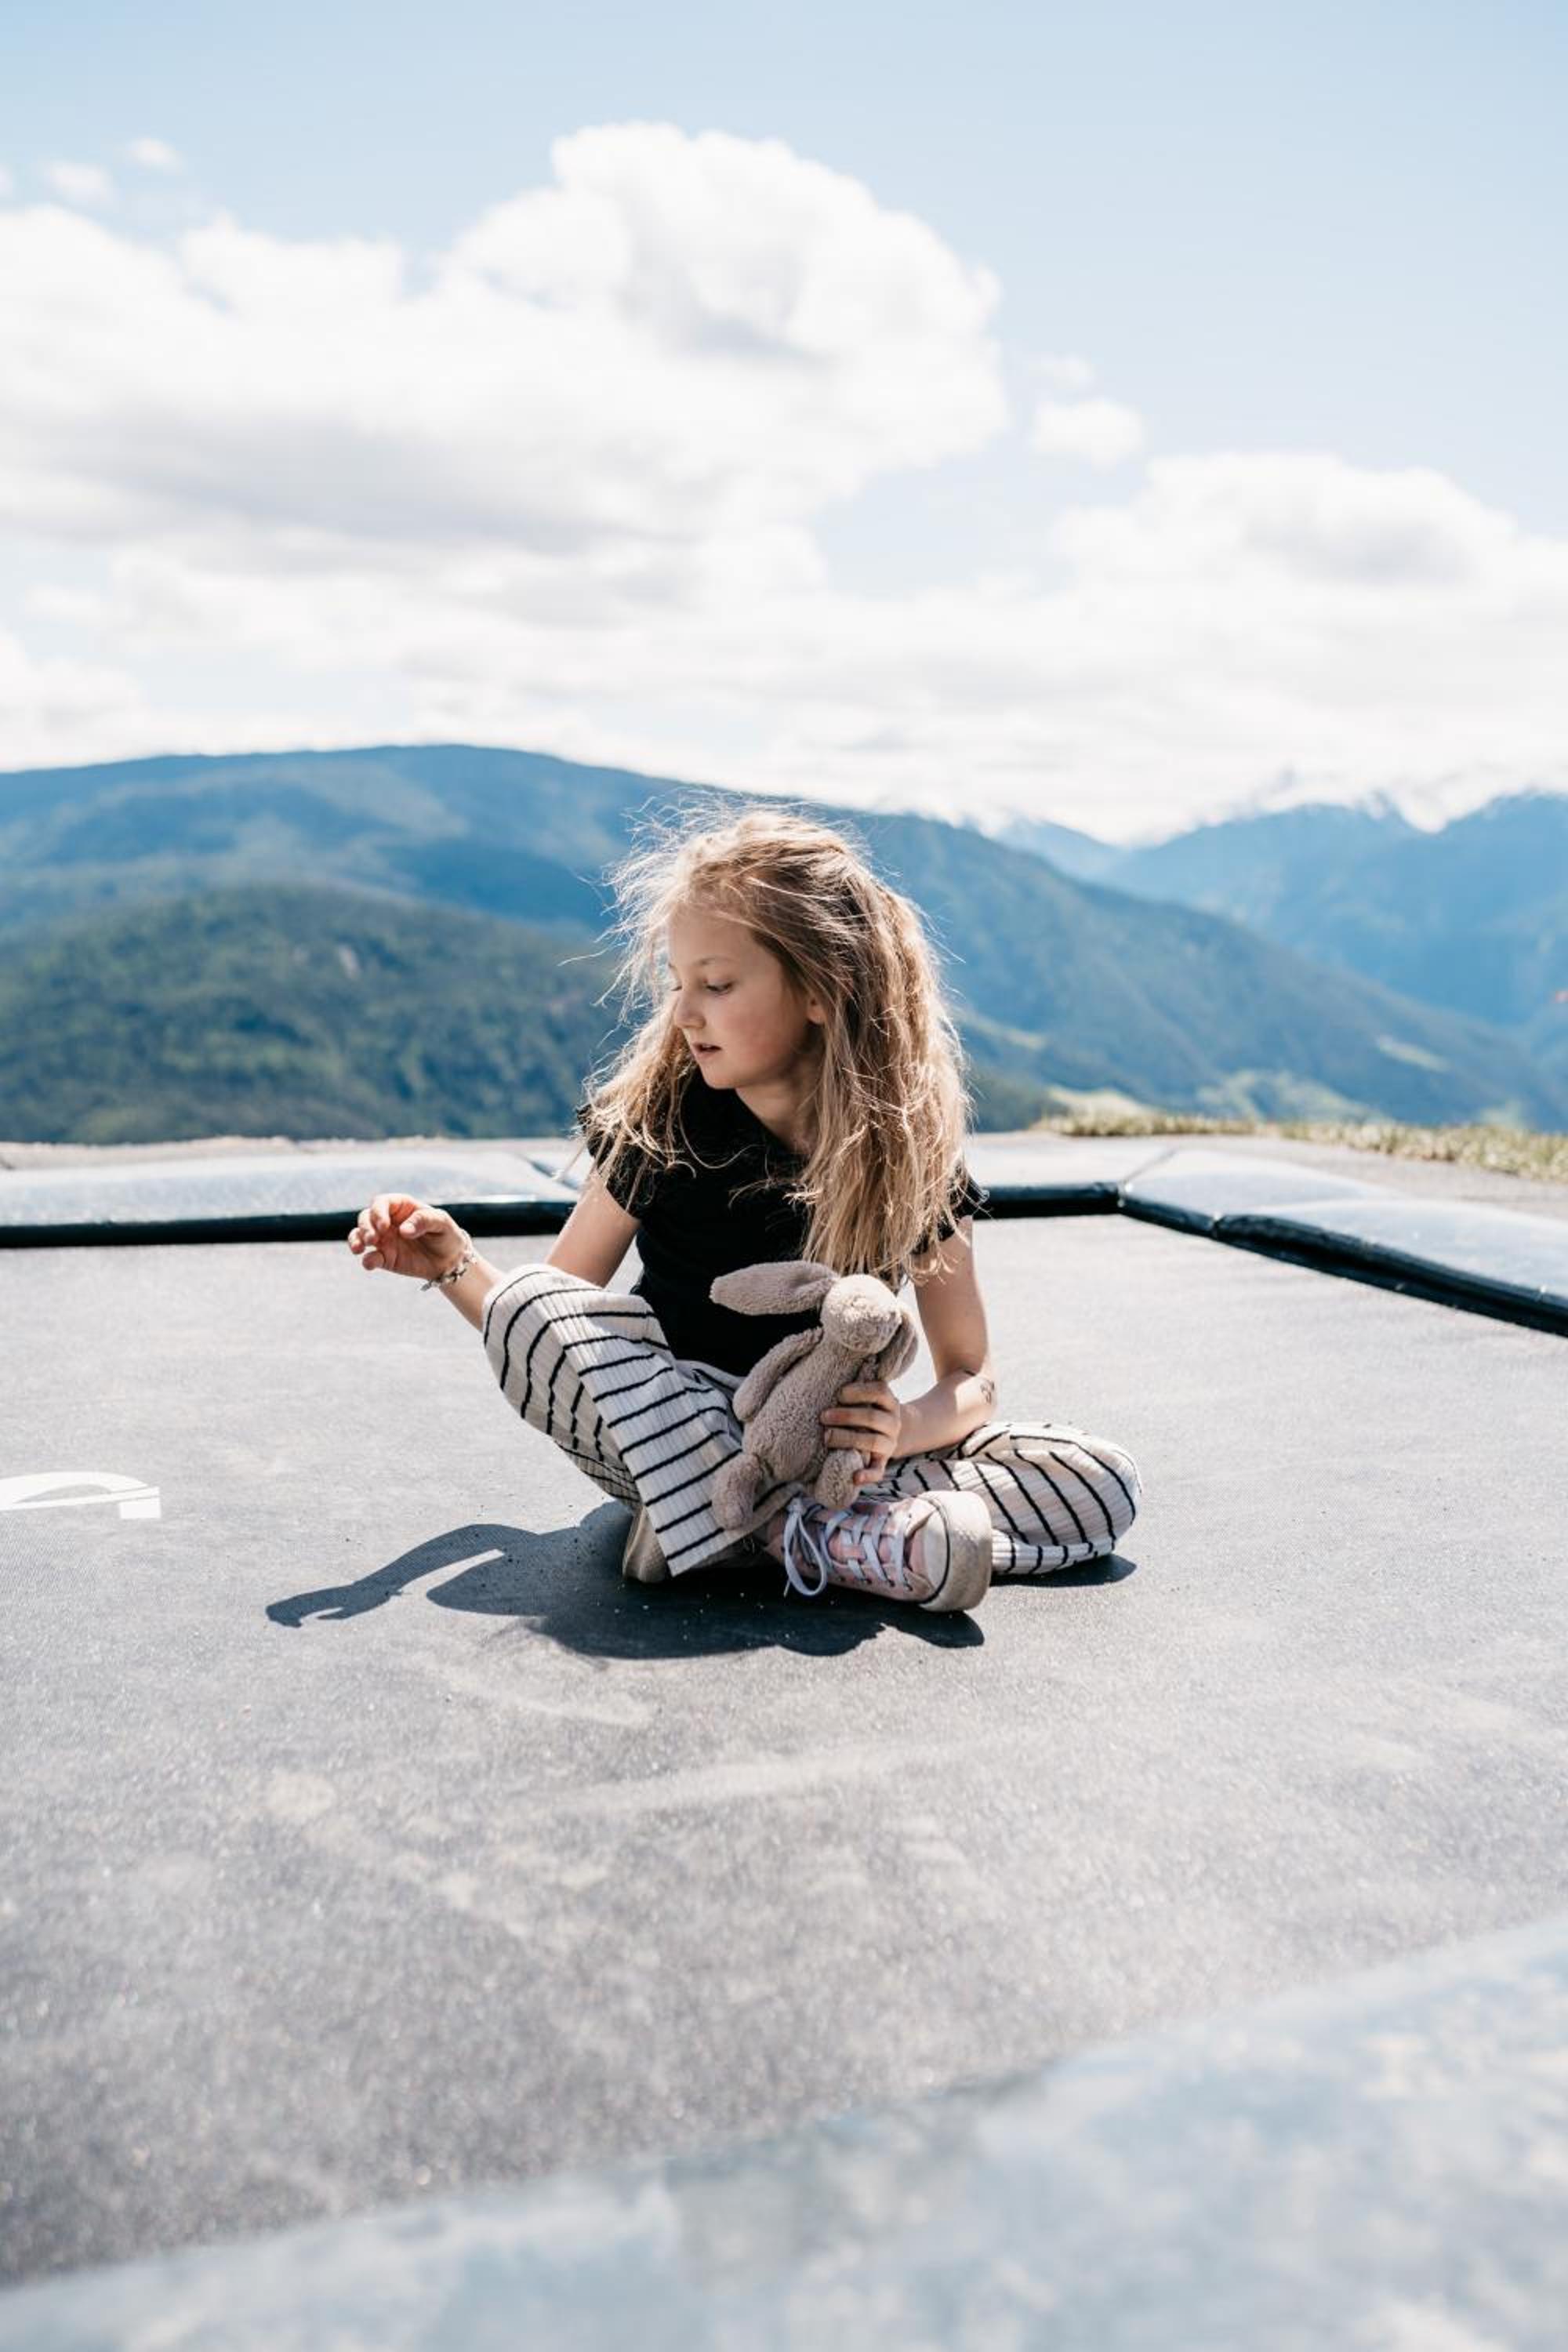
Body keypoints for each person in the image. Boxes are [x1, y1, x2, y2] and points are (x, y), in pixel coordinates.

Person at [346, 801, 1142, 1615]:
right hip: (676, 1434)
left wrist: (899, 1428)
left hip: (835, 1458)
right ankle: (823, 1536)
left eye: (717, 985)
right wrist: (454, 1264)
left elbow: (972, 1379)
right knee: (527, 1304)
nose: (684, 1012)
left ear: (823, 990)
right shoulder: (663, 1124)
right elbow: (555, 1313)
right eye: (678, 983)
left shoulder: (913, 1154)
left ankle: (787, 1532)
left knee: (1097, 1479)